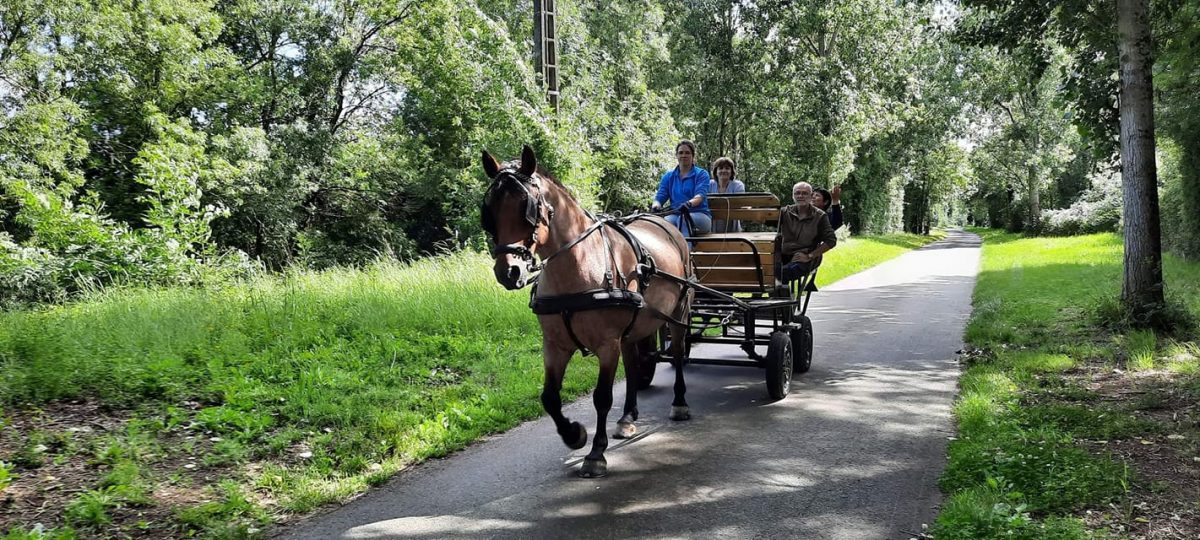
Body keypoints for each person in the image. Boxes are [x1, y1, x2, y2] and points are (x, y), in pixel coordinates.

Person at [779, 182, 837, 282]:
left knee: (783, 273)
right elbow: (764, 216)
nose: (800, 196)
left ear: (811, 196)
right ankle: (761, 294)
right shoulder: (784, 212)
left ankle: (780, 292)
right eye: (797, 193)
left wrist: (810, 256)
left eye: (805, 193)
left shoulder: (820, 216)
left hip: (806, 257)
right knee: (765, 269)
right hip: (784, 255)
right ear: (793, 196)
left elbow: (831, 240)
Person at [651, 140, 712, 236]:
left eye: (687, 153)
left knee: (683, 220)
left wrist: (688, 204)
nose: (684, 155)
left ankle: (686, 250)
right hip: (675, 215)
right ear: (677, 155)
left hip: (700, 216)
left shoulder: (701, 174)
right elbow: (660, 196)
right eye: (681, 153)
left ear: (693, 156)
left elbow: (700, 196)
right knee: (664, 223)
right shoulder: (668, 176)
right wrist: (656, 206)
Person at [708, 156, 745, 233]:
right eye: (720, 168)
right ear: (716, 171)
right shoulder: (709, 184)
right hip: (712, 227)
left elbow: (739, 204)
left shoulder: (738, 185)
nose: (724, 170)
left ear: (732, 171)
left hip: (732, 226)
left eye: (727, 168)